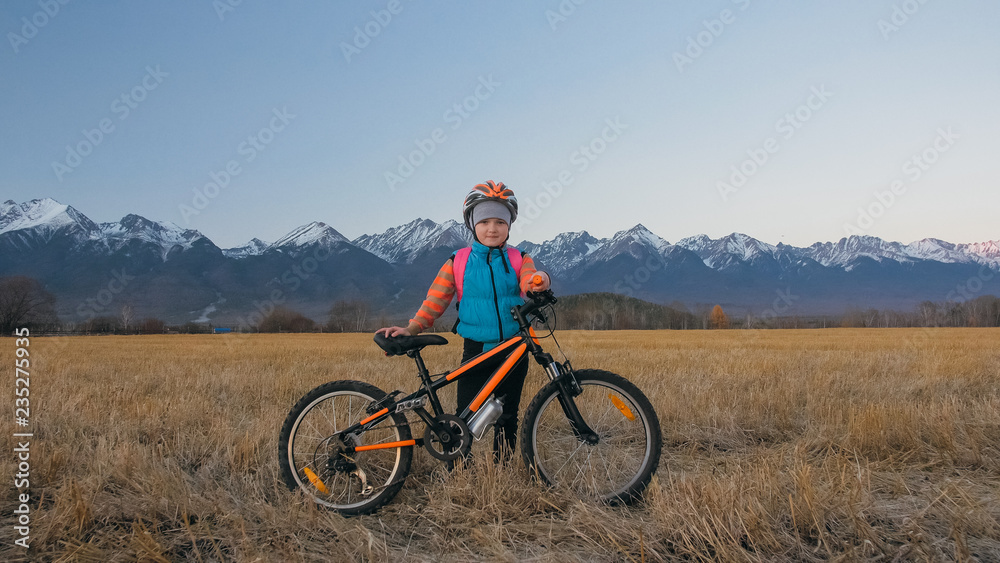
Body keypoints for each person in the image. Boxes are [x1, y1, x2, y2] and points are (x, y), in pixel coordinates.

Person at [376, 181, 550, 461]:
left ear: (509, 225)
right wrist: (411, 328)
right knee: (463, 415)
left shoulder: (519, 257)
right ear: (472, 224)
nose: (492, 228)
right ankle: (457, 469)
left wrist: (540, 282)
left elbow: (530, 279)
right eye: (484, 221)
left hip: (513, 346)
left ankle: (501, 468)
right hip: (476, 348)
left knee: (508, 415)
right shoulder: (459, 261)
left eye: (499, 221)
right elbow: (434, 302)